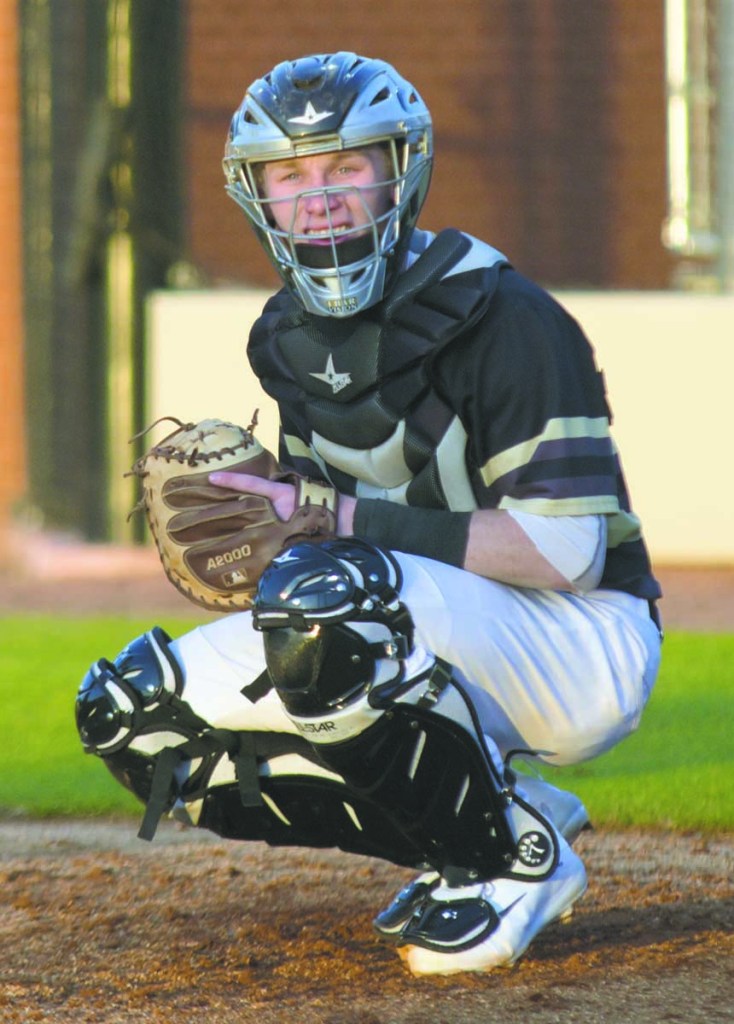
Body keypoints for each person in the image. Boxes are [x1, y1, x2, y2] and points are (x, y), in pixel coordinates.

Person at [75, 52, 662, 976]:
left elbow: (568, 554)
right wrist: (270, 540)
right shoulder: (282, 337)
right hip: (426, 617)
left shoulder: (504, 314)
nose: (319, 199)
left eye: (346, 167)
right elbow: (329, 548)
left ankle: (509, 864)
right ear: (257, 196)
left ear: (399, 174)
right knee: (132, 714)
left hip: (581, 640)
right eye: (290, 176)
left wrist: (334, 523)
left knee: (328, 595)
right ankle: (496, 817)